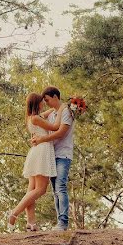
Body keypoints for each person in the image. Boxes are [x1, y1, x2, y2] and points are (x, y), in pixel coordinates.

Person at [6, 92, 65, 231]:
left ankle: (31, 223)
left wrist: (56, 108)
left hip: (36, 152)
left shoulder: (33, 118)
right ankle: (14, 213)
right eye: (42, 101)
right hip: (42, 152)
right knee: (40, 189)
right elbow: (56, 127)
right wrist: (62, 109)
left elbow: (45, 113)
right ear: (37, 103)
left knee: (31, 190)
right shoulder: (36, 119)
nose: (44, 103)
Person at [31, 86, 74, 231]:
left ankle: (63, 223)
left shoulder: (67, 112)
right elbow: (37, 118)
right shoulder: (55, 113)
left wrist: (42, 139)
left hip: (63, 154)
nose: (47, 103)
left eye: (48, 100)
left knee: (61, 187)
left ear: (55, 96)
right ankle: (59, 223)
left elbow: (61, 132)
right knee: (55, 189)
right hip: (51, 155)